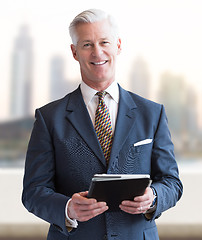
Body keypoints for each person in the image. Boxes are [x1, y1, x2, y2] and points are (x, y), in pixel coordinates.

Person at [22, 9, 183, 240]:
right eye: (87, 44)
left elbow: (172, 183)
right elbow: (33, 192)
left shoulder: (152, 113)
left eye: (104, 42)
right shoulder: (49, 118)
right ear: (74, 52)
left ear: (118, 45)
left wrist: (154, 197)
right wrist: (67, 208)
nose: (97, 52)